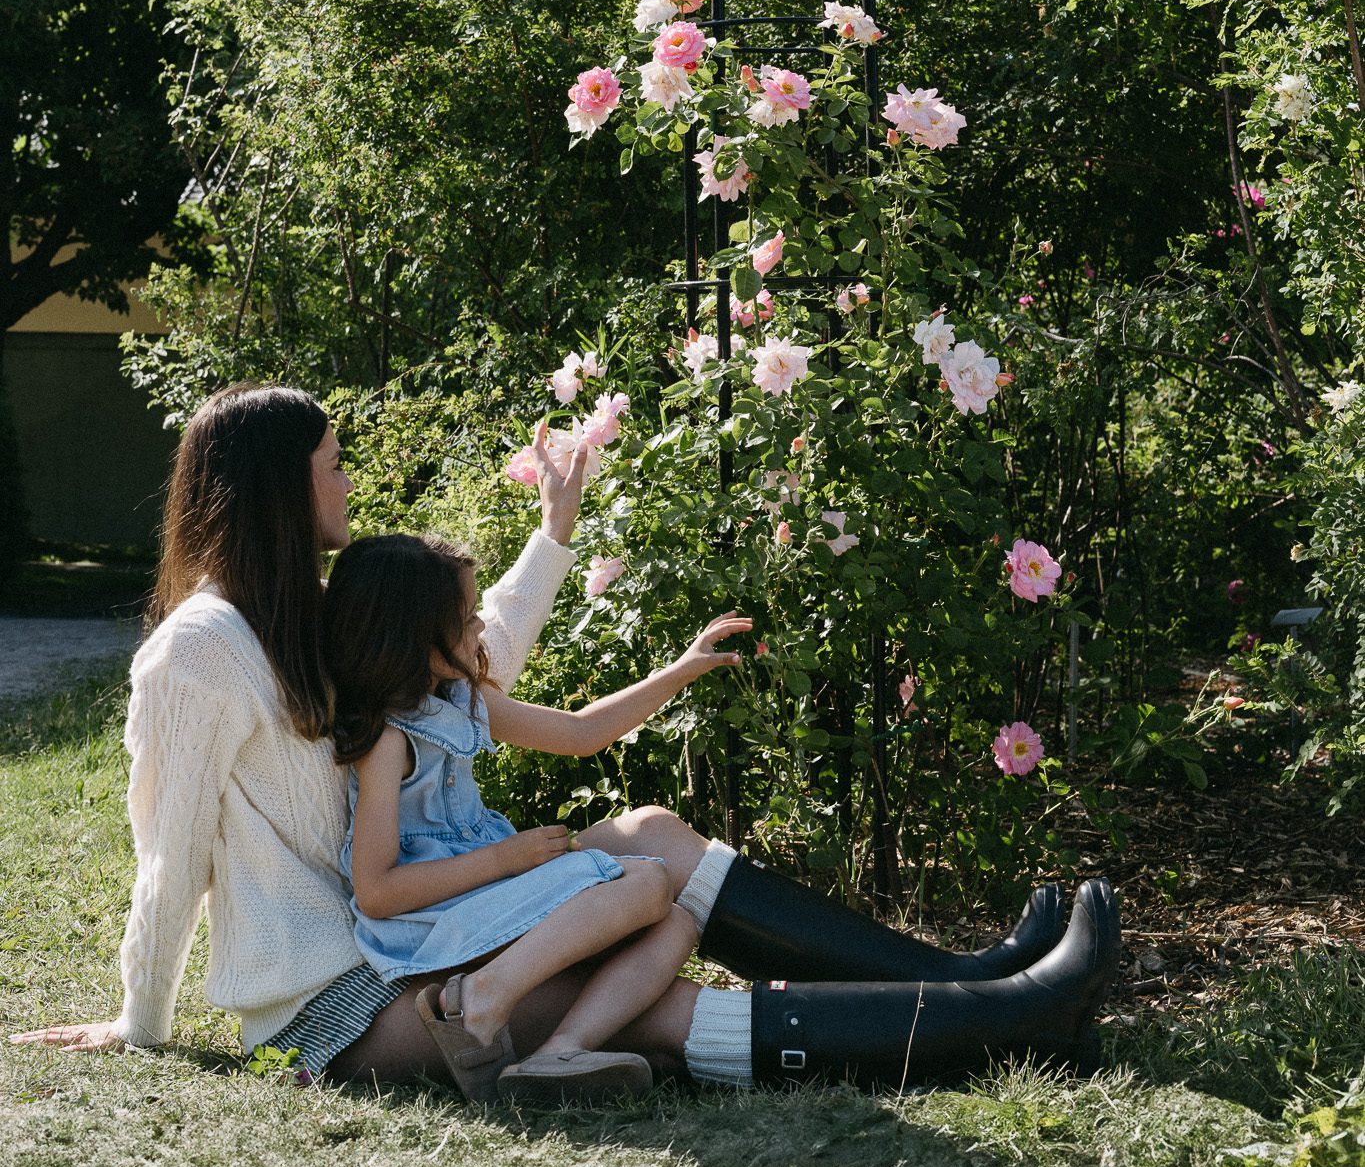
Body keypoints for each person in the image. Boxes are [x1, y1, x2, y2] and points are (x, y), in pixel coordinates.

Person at [11, 381, 1119, 1092]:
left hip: (427, 928)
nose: (348, 478)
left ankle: (969, 983)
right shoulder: (200, 651)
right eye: (333, 463)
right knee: (667, 1009)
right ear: (275, 487)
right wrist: (138, 1019)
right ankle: (1005, 1023)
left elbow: (458, 660)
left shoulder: (302, 605)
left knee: (652, 834)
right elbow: (169, 861)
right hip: (344, 993)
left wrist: (552, 538)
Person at [322, 529, 750, 1101]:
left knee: (678, 920)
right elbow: (375, 892)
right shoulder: (388, 740)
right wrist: (503, 859)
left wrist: (681, 670)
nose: (480, 629)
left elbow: (581, 732)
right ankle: (475, 1001)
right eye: (469, 617)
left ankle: (558, 1054)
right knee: (649, 882)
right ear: (414, 638)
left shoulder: (461, 701)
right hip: (433, 925)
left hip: (481, 899)